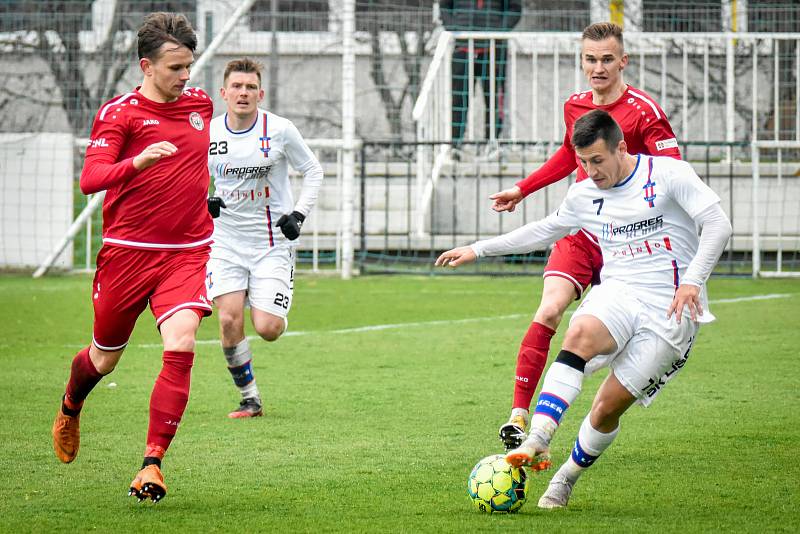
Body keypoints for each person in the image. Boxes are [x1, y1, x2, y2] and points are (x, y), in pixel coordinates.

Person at [436, 109, 732, 509]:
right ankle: (539, 437)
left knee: (606, 409)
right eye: (584, 163)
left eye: (598, 160)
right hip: (620, 291)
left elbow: (718, 224)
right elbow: (544, 229)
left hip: (671, 310)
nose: (591, 171)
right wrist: (478, 248)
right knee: (578, 333)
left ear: (621, 148)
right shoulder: (584, 194)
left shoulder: (666, 175)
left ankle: (565, 478)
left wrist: (694, 280)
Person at [487, 22, 682, 451]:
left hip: (628, 242)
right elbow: (565, 153)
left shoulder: (645, 111)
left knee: (598, 344)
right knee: (550, 309)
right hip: (580, 233)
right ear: (582, 60)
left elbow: (674, 172)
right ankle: (519, 415)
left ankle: (569, 407)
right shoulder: (575, 106)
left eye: (607, 59)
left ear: (622, 61)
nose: (598, 68)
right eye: (591, 59)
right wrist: (522, 189)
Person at [51, 12, 214, 503]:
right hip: (127, 254)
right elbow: (90, 179)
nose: (186, 77)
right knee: (104, 359)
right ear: (146, 66)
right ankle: (71, 402)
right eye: (175, 68)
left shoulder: (201, 105)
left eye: (189, 66)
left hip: (187, 252)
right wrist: (137, 162)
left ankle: (152, 464)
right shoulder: (119, 113)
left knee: (181, 344)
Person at [206, 58, 323, 418]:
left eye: (250, 87)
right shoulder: (209, 134)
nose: (243, 93)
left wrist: (298, 214)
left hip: (272, 243)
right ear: (224, 93)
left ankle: (270, 303)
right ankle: (249, 397)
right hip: (225, 242)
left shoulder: (280, 129)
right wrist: (203, 201)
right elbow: (191, 177)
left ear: (261, 93)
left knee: (268, 328)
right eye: (237, 87)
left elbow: (313, 171)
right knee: (227, 319)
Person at [439, 0, 522, 145]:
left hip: (494, 49)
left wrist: (498, 31)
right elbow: (444, 6)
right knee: (459, 100)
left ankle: (491, 144)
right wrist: (455, 28)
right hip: (463, 49)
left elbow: (514, 8)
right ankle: (455, 145)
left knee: (494, 100)